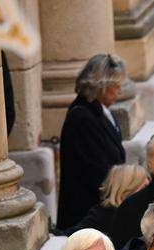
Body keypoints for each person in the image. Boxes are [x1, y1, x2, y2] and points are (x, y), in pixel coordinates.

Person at [56, 53, 127, 231]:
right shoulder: (82, 118)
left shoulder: (102, 111)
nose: (120, 90)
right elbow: (95, 171)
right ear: (101, 85)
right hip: (87, 215)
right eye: (115, 85)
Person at [75, 164, 148, 246]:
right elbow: (72, 236)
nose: (148, 193)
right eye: (144, 188)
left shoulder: (146, 215)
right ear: (127, 189)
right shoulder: (103, 214)